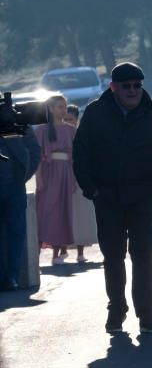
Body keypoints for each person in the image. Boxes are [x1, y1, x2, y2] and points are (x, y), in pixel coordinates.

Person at [73, 62, 152, 334]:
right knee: (113, 257)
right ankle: (116, 311)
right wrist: (90, 188)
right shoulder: (96, 113)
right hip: (106, 196)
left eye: (137, 85)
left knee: (143, 256)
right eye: (126, 86)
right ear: (113, 87)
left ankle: (147, 316)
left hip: (143, 195)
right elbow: (81, 152)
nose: (132, 91)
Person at [34, 95, 79, 265]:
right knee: (44, 213)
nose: (63, 110)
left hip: (66, 173)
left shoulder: (71, 130)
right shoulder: (42, 129)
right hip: (49, 173)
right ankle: (35, 253)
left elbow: (76, 156)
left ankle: (57, 253)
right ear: (51, 109)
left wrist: (74, 178)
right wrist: (39, 178)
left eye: (65, 106)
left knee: (63, 212)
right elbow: (37, 156)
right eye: (60, 107)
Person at [0, 121, 40, 291]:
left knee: (16, 232)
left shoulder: (14, 118)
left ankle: (12, 277)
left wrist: (22, 176)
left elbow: (34, 150)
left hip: (14, 187)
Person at [65, 104, 97, 262]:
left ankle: (80, 252)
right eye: (65, 119)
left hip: (80, 177)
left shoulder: (84, 134)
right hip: (63, 175)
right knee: (65, 212)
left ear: (77, 120)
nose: (68, 122)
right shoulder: (58, 132)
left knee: (81, 214)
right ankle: (63, 249)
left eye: (71, 119)